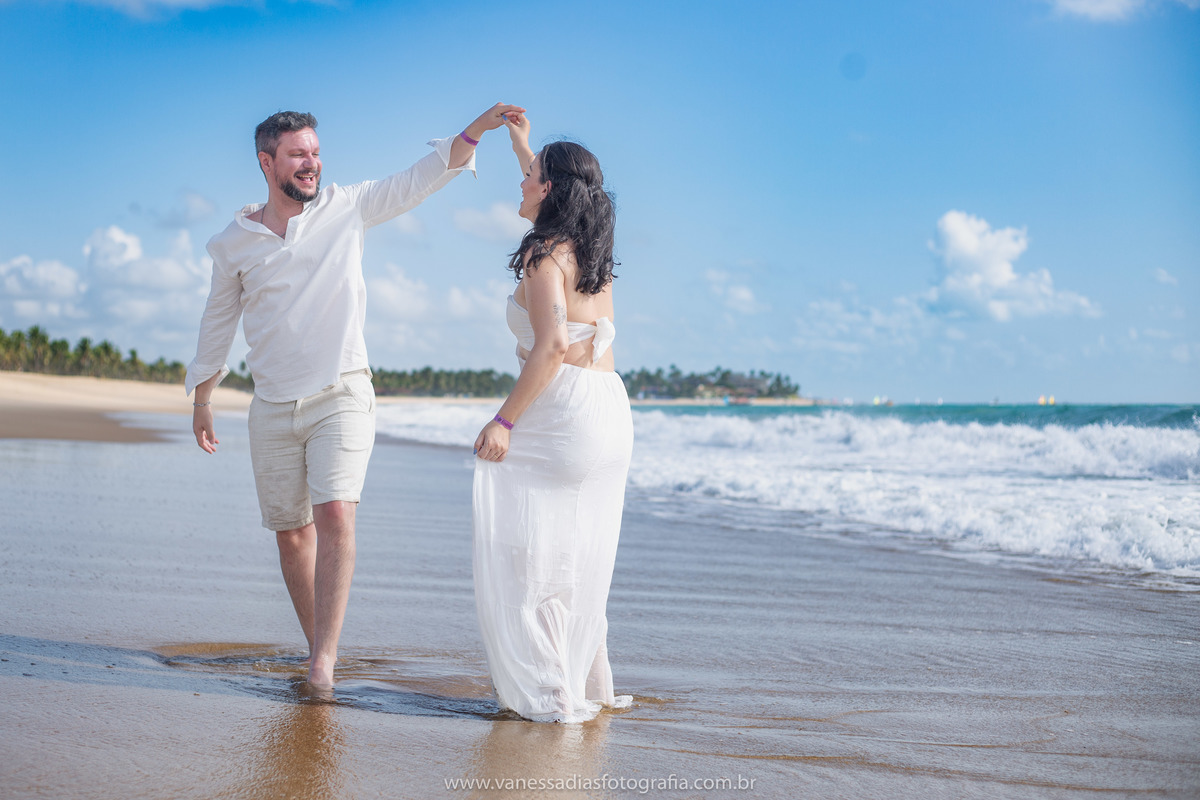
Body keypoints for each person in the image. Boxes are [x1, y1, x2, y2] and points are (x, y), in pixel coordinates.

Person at [186, 102, 524, 689]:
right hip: (271, 405)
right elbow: (218, 320)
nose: (311, 163)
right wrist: (202, 396)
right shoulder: (233, 242)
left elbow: (418, 180)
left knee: (335, 513)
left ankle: (323, 662)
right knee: (292, 534)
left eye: (316, 152)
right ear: (267, 162)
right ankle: (316, 645)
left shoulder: (347, 207)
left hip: (341, 391)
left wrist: (475, 130)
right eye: (297, 154)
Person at [472, 114, 634, 723]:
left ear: (549, 190)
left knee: (531, 557)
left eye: (530, 175)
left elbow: (551, 348)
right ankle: (587, 685)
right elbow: (555, 185)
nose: (521, 183)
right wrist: (523, 146)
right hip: (609, 409)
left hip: (564, 409)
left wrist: (504, 422)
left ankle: (552, 697)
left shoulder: (544, 257)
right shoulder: (591, 254)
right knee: (578, 557)